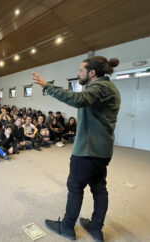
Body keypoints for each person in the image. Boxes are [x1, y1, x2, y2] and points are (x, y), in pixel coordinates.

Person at [33, 56, 121, 241]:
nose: (77, 73)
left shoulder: (100, 88)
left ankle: (67, 227)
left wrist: (47, 86)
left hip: (88, 150)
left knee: (75, 188)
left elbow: (78, 99)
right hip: (102, 151)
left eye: (80, 70)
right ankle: (96, 229)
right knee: (99, 188)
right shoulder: (109, 88)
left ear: (92, 72)